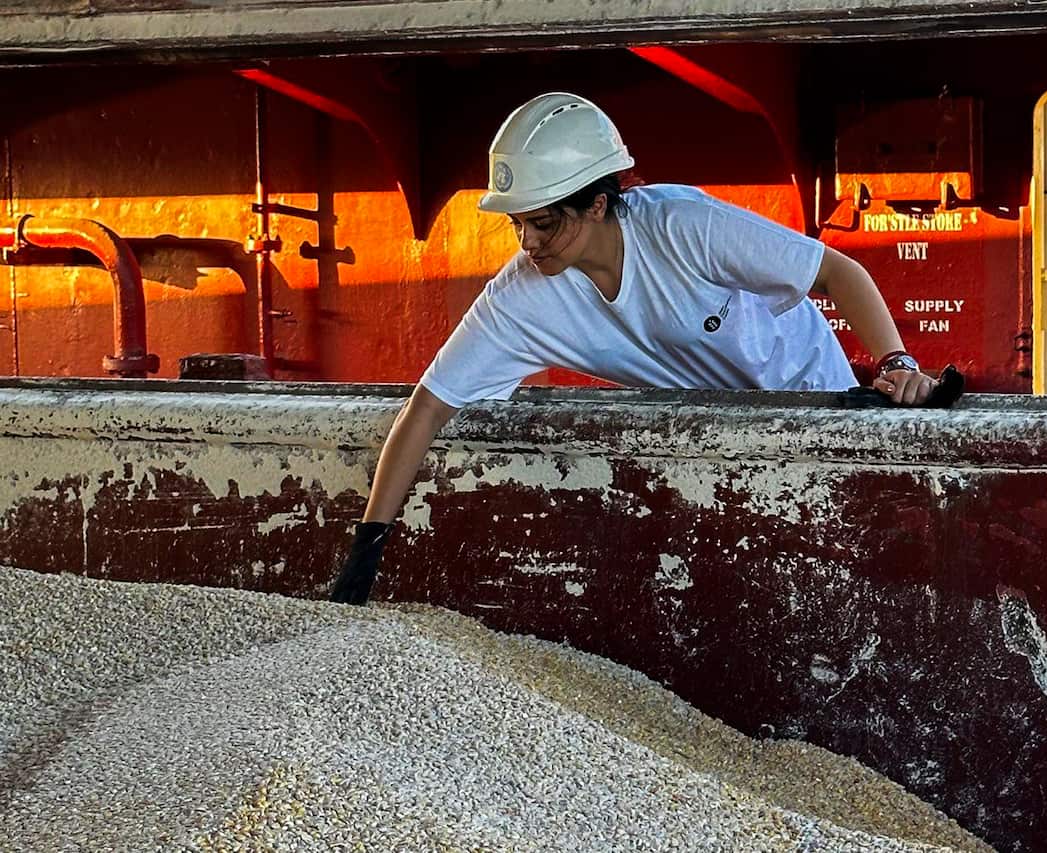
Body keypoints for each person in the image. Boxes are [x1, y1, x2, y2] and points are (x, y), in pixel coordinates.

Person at [330, 91, 939, 605]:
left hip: (809, 405)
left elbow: (838, 272)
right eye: (518, 224)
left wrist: (897, 363)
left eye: (545, 223)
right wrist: (367, 548)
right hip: (706, 439)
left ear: (597, 203)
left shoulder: (683, 226)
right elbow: (429, 408)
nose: (529, 242)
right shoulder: (521, 298)